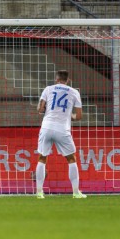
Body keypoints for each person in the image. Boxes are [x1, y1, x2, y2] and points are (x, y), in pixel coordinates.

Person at [35, 70, 86, 199]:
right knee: (71, 159)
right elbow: (79, 116)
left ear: (56, 79)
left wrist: (49, 111)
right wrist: (69, 116)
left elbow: (40, 109)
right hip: (62, 129)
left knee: (42, 158)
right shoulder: (74, 92)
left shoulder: (48, 89)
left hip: (46, 126)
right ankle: (75, 192)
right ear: (67, 80)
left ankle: (39, 192)